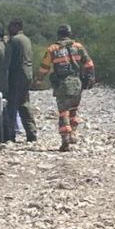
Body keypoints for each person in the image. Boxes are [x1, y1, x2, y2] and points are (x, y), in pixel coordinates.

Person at [37, 24, 95, 152]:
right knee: (73, 110)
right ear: (69, 34)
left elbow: (44, 67)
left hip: (62, 85)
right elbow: (89, 64)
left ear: (58, 35)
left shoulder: (53, 49)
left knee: (63, 113)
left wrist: (39, 80)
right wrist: (91, 78)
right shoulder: (78, 47)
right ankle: (72, 134)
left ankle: (65, 142)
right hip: (77, 84)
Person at [4, 18, 37, 143]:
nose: (9, 29)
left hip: (17, 74)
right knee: (24, 103)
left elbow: (9, 57)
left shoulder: (15, 40)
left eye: (11, 26)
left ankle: (10, 134)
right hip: (28, 73)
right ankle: (31, 132)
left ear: (17, 26)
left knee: (12, 105)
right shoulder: (26, 39)